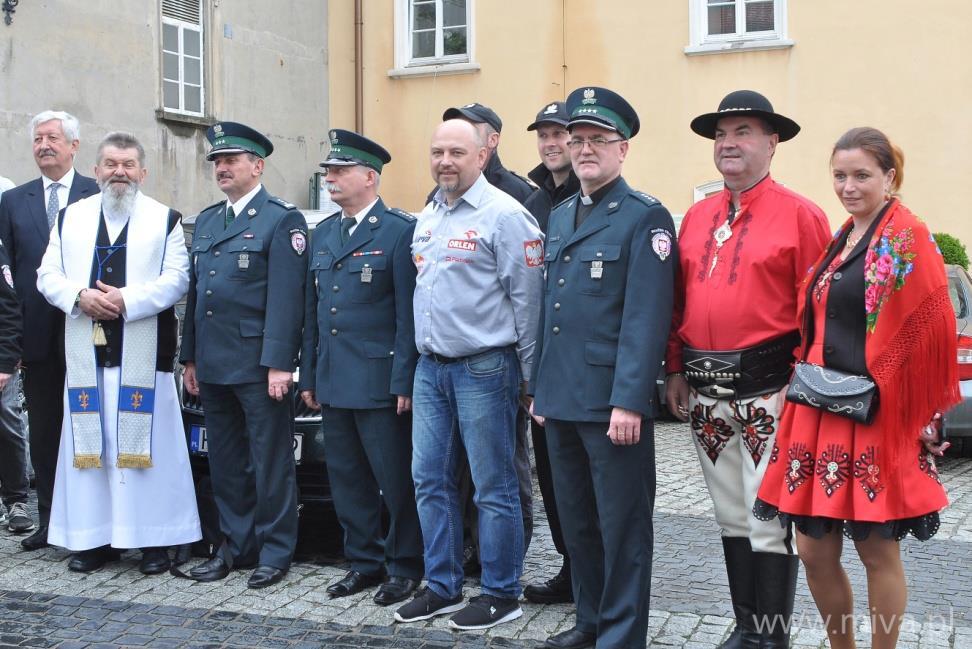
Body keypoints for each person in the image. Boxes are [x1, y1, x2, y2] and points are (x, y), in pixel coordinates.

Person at [755, 127, 957, 649]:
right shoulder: (841, 237)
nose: (848, 186)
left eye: (862, 175)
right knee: (813, 549)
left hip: (875, 414)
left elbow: (931, 327)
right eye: (840, 175)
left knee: (875, 550)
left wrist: (922, 414)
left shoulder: (907, 235)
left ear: (890, 177)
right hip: (816, 410)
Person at [663, 90, 832, 649]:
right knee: (730, 514)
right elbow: (677, 302)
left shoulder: (802, 215)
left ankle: (771, 634)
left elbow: (820, 311)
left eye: (742, 132)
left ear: (772, 142)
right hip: (706, 392)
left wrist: (810, 389)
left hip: (772, 391)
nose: (728, 143)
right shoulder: (697, 217)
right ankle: (745, 627)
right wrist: (674, 368)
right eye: (721, 134)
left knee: (767, 517)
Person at [530, 86, 677, 649]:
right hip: (561, 398)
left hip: (610, 403)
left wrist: (629, 400)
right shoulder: (562, 215)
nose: (585, 149)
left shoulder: (644, 217)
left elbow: (645, 318)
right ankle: (590, 620)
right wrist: (539, 389)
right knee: (578, 521)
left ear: (623, 150)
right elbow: (552, 312)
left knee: (622, 526)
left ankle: (620, 633)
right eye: (578, 139)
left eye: (598, 140)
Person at [393, 118, 543, 630]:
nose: (444, 161)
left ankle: (502, 593)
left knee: (492, 485)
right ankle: (443, 585)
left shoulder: (507, 216)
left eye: (457, 152)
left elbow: (529, 304)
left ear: (483, 155)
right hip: (431, 368)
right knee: (429, 480)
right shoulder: (429, 214)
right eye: (437, 151)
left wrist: (529, 378)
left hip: (486, 368)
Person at [36, 132, 201, 573]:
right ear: (96, 170)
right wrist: (78, 296)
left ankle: (152, 542)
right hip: (85, 355)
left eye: (128, 165)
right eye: (110, 164)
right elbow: (46, 274)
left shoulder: (164, 219)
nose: (119, 173)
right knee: (92, 449)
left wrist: (128, 300)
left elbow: (177, 279)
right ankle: (94, 540)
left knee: (148, 450)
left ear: (142, 172)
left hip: (144, 357)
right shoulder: (70, 219)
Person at [299, 129, 424, 606]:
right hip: (333, 380)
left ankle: (404, 566)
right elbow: (314, 313)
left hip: (379, 381)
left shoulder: (397, 230)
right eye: (328, 171)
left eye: (340, 171)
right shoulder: (325, 233)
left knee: (395, 482)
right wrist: (309, 375)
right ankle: (364, 563)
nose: (330, 178)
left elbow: (407, 315)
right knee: (347, 480)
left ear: (370, 177)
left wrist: (403, 380)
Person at [180, 122, 307, 589]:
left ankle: (275, 552)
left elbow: (287, 300)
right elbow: (198, 294)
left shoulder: (280, 219)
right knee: (227, 462)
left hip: (258, 365)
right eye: (217, 161)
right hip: (213, 364)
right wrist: (189, 358)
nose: (222, 168)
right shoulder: (211, 219)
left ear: (257, 165)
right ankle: (234, 547)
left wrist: (280, 363)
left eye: (231, 160)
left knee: (271, 461)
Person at [0, 111, 100, 550]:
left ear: (74, 145)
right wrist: (11, 341)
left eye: (53, 138)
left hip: (88, 331)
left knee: (89, 425)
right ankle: (49, 519)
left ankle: (95, 521)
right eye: (38, 138)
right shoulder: (13, 200)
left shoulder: (95, 192)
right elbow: (7, 276)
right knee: (44, 430)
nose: (44, 145)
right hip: (36, 335)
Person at [521, 100, 579, 606]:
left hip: (581, 366)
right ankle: (568, 563)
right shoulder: (534, 201)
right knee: (554, 476)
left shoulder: (593, 194)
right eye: (543, 135)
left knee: (585, 482)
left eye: (559, 133)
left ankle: (591, 572)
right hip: (539, 365)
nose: (551, 143)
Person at [425, 102, 536, 206]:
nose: (460, 134)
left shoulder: (519, 193)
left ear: (492, 140)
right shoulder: (438, 194)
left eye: (470, 128)